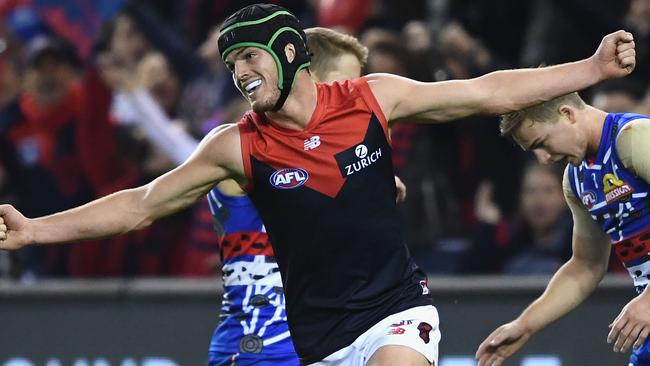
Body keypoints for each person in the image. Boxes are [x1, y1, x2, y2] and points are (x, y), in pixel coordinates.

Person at [0, 4, 636, 366]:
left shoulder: (370, 99)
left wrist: (590, 66)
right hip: (318, 338)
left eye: (251, 56)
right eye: (230, 63)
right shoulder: (235, 145)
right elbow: (141, 206)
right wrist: (35, 230)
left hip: (396, 311)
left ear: (287, 53)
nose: (240, 73)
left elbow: (483, 91)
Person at [475, 93, 650, 366]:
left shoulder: (633, 137)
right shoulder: (577, 179)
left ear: (567, 114)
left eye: (542, 143)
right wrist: (526, 325)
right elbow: (586, 266)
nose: (545, 159)